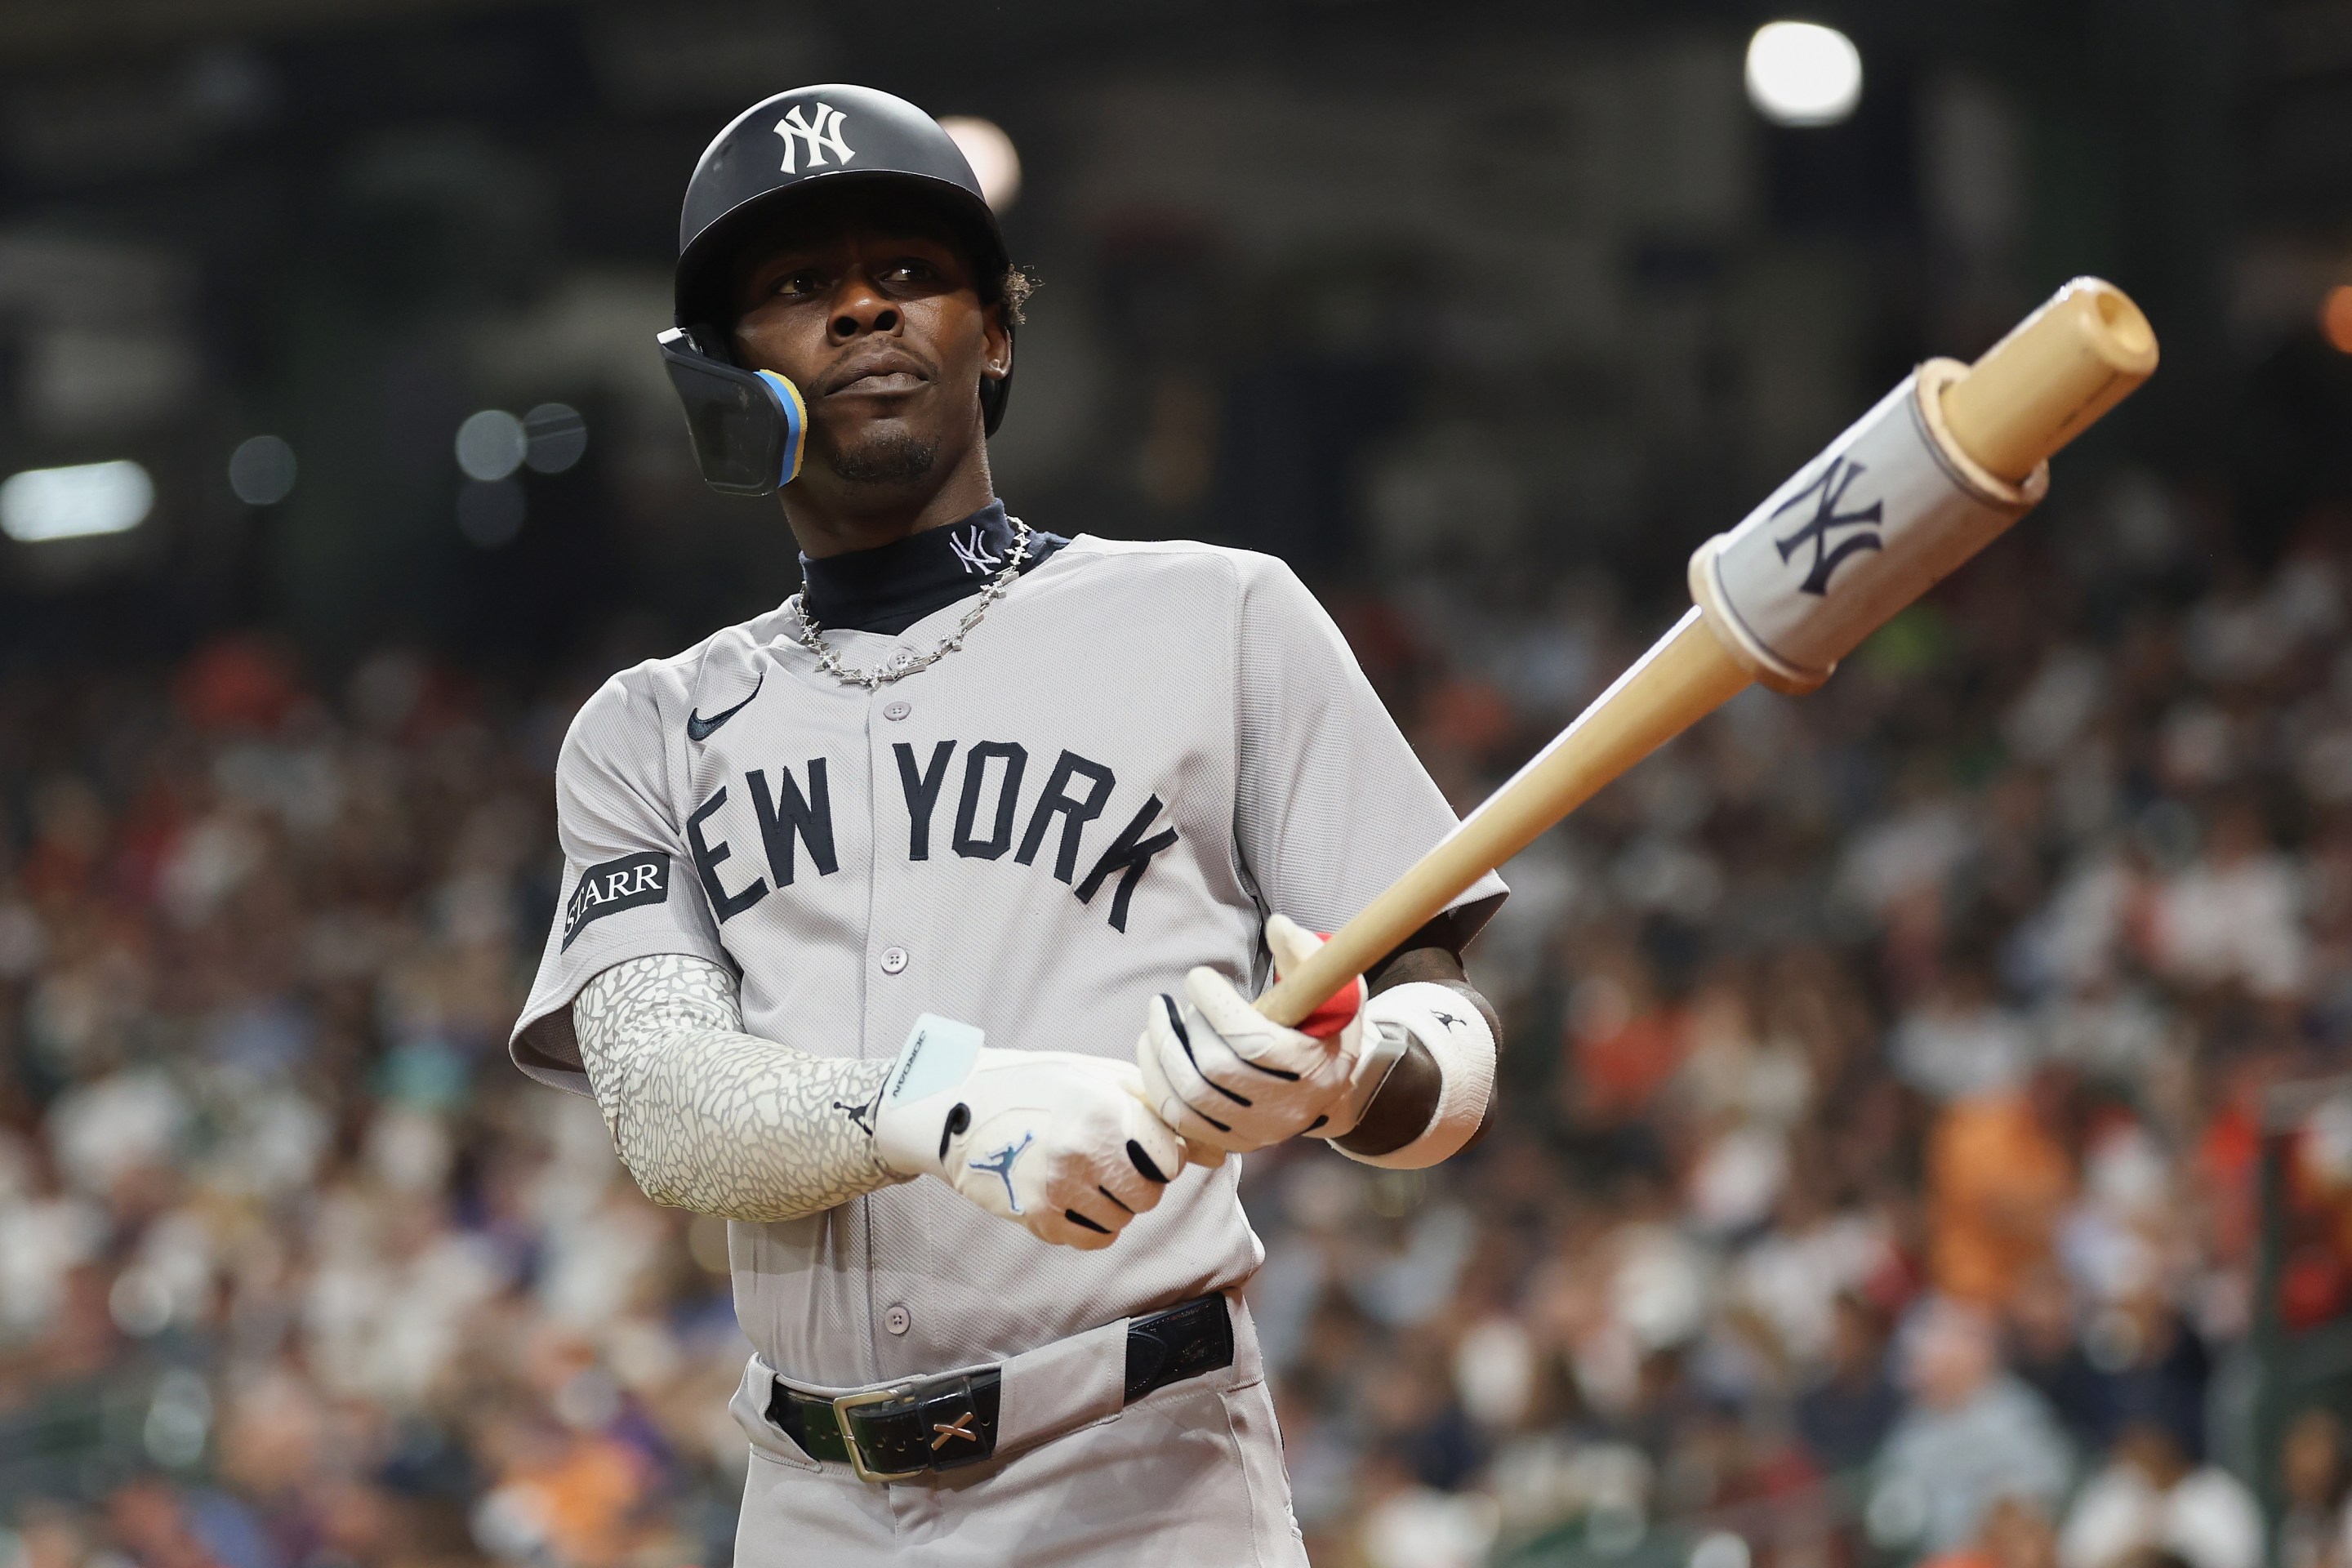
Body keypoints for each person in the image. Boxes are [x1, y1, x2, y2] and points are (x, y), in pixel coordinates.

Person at [506, 84, 1505, 1566]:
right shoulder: (647, 727)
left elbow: (1454, 1039)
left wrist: (1352, 1076)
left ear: (999, 334)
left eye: (909, 274)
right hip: (810, 1505)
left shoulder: (1218, 614)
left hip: (1141, 1475)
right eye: (797, 288)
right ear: (725, 377)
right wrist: (947, 1112)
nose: (860, 311)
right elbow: (667, 1108)